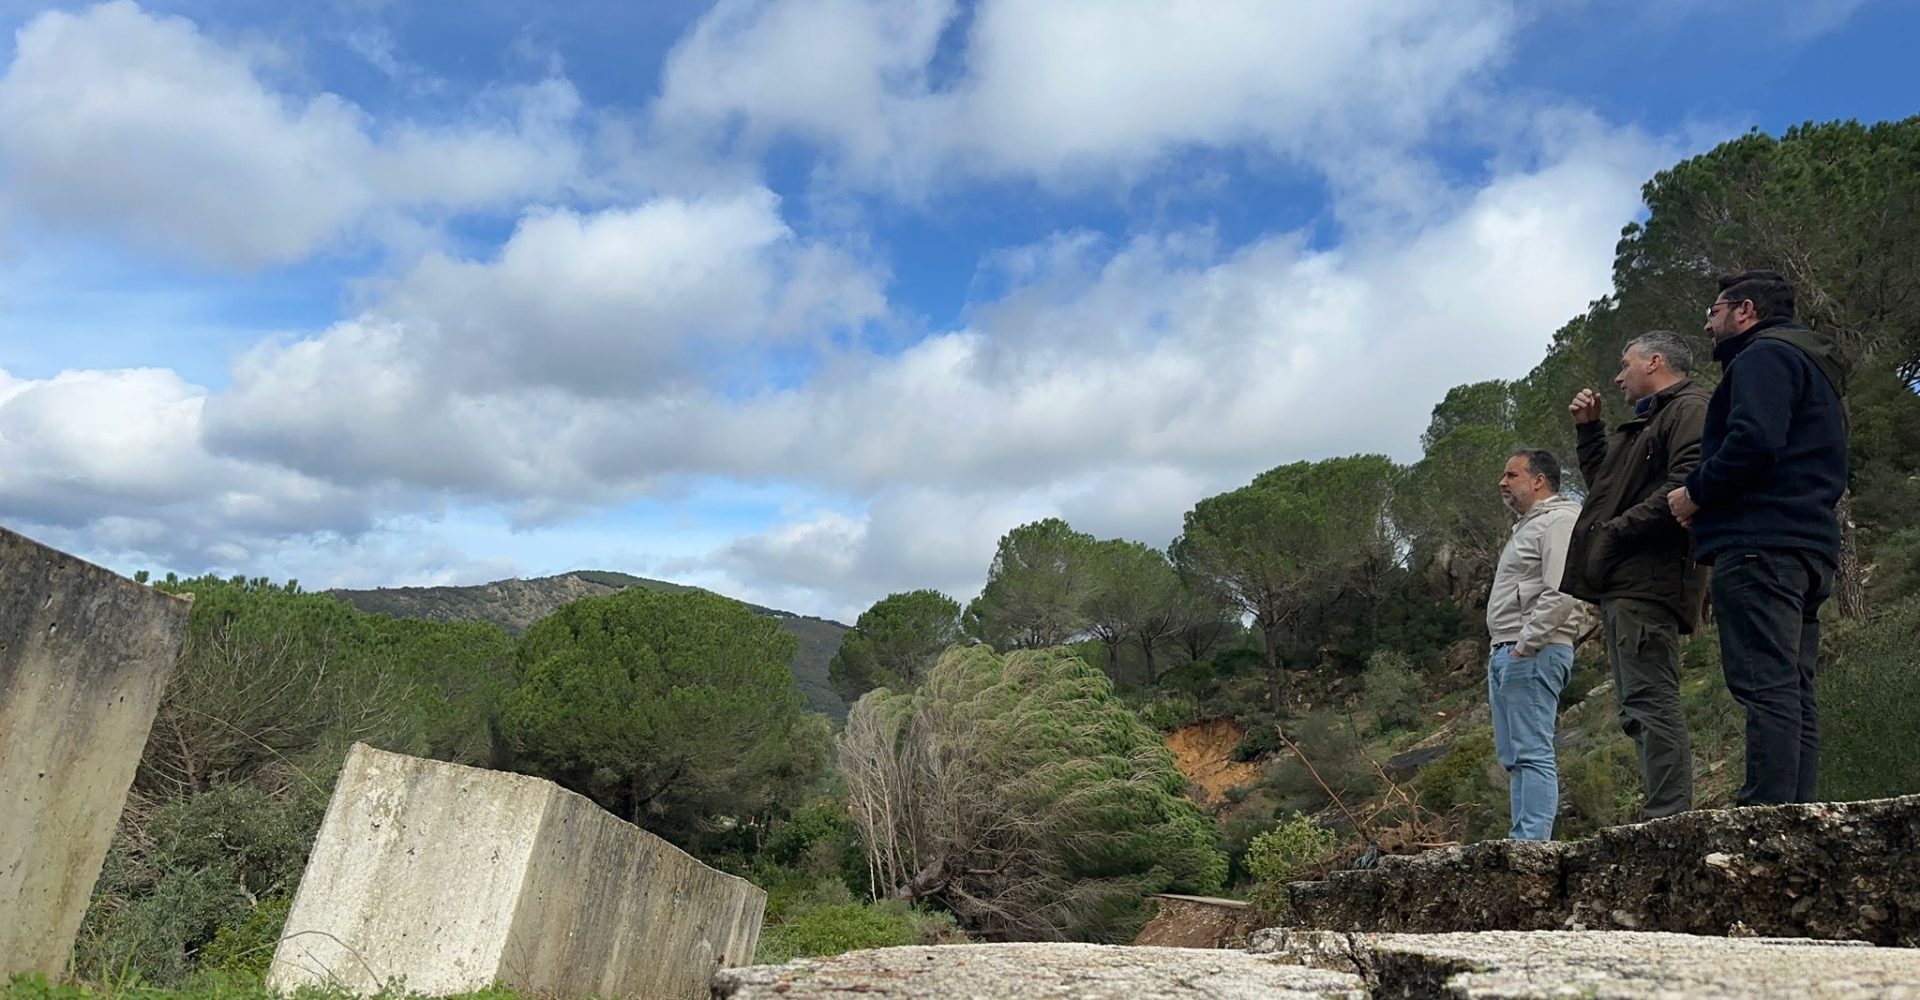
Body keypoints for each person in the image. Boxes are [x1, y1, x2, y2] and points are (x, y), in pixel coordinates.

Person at [1667, 270, 1848, 805]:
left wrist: (1695, 492)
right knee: (1793, 686)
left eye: (1714, 311)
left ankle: (1765, 812)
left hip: (1760, 543)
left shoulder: (1762, 357)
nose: (1708, 324)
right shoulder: (1814, 366)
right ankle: (1794, 810)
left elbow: (1754, 441)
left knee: (1764, 682)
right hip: (1809, 545)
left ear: (1745, 310)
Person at [1561, 332, 1711, 820]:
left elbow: (1686, 485)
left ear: (1655, 362)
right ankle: (1662, 814)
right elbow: (1607, 488)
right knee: (1635, 706)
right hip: (1626, 582)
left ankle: (1668, 817)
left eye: (1625, 364)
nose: (1618, 376)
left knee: (1650, 700)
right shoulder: (1649, 420)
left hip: (1650, 581)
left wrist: (1614, 533)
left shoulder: (1689, 408)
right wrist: (1590, 432)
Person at [1488, 448, 1586, 840]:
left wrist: (1525, 644)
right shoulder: (1530, 526)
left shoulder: (1559, 521)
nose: (1503, 482)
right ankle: (1523, 842)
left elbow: (1562, 590)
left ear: (1539, 480)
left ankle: (1531, 844)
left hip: (1533, 651)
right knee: (1515, 756)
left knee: (1531, 751)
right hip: (1510, 650)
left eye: (1512, 475)